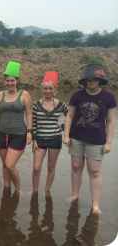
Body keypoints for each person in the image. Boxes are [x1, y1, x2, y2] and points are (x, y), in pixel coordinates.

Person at [63, 64, 116, 214]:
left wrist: (109, 142)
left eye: (95, 79)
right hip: (77, 137)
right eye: (88, 79)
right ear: (84, 81)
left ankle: (96, 205)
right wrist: (66, 135)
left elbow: (111, 121)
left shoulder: (109, 97)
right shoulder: (77, 95)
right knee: (76, 168)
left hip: (97, 139)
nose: (92, 81)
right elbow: (70, 116)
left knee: (94, 171)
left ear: (100, 80)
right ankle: (75, 196)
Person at [0, 61, 33, 194]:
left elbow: (28, 113)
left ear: (17, 81)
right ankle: (7, 188)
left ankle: (18, 188)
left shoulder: (24, 95)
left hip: (18, 133)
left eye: (12, 80)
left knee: (10, 165)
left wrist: (30, 131)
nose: (9, 83)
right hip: (1, 132)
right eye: (7, 80)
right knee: (4, 164)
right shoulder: (0, 95)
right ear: (4, 81)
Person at [32, 71, 68, 196]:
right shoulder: (36, 105)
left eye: (50, 88)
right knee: (36, 168)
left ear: (55, 89)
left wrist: (63, 127)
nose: (48, 91)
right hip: (39, 140)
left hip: (55, 139)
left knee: (51, 167)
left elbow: (71, 116)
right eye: (45, 88)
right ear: (41, 89)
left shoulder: (60, 104)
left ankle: (47, 190)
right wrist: (34, 140)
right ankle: (35, 191)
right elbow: (33, 123)